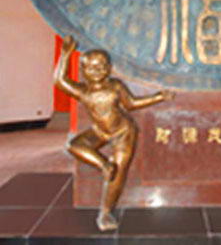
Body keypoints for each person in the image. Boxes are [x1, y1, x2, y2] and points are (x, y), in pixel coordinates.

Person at [54, 35, 174, 231]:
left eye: (102, 66)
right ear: (83, 70)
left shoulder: (115, 86)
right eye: (91, 67)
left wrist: (158, 97)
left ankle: (106, 212)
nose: (97, 71)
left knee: (119, 173)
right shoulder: (82, 91)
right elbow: (60, 81)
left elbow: (131, 104)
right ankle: (104, 164)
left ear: (109, 68)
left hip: (123, 132)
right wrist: (65, 55)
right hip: (99, 131)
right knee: (74, 145)